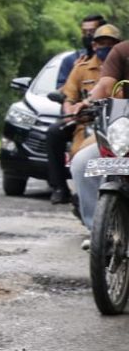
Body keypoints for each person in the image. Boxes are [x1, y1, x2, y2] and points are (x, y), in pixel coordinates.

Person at [47, 24, 111, 204]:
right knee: (74, 150)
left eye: (110, 44)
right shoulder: (81, 67)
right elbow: (69, 96)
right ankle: (62, 188)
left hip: (117, 122)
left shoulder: (122, 66)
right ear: (94, 46)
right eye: (101, 43)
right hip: (86, 121)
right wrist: (73, 112)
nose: (105, 48)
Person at [70, 24, 124, 235]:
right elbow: (104, 86)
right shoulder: (121, 53)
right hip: (120, 134)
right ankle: (99, 232)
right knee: (83, 163)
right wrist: (87, 102)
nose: (106, 47)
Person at [55, 14, 106, 89]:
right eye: (84, 32)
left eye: (92, 31)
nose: (88, 35)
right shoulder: (71, 60)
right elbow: (60, 93)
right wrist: (75, 72)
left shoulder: (117, 57)